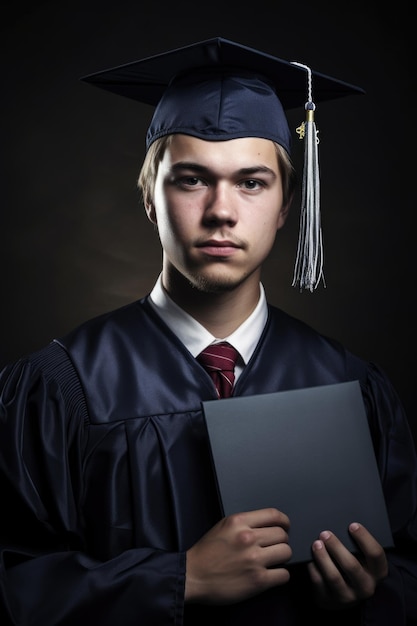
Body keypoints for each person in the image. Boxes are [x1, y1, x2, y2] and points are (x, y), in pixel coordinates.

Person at [0, 37, 416, 626]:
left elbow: (407, 572)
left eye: (252, 182)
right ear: (150, 195)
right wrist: (180, 578)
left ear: (286, 204)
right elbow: (13, 581)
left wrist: (371, 594)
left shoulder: (351, 384)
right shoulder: (59, 389)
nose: (222, 210)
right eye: (192, 179)